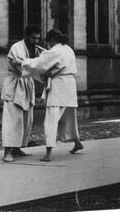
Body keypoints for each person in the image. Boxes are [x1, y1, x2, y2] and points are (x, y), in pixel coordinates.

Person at [22, 29, 83, 162]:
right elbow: (56, 60)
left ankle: (48, 153)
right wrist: (45, 53)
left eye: (48, 42)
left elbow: (41, 63)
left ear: (52, 40)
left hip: (59, 87)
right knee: (70, 117)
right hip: (70, 86)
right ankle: (77, 142)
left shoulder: (55, 51)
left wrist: (23, 62)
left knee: (51, 119)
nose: (48, 45)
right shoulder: (68, 49)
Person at [0, 25, 41, 163]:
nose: (36, 41)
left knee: (26, 119)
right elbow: (19, 71)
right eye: (33, 38)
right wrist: (35, 65)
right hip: (15, 85)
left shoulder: (35, 49)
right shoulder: (16, 48)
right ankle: (7, 152)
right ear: (26, 36)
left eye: (37, 38)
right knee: (12, 119)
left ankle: (17, 148)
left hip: (27, 85)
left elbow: (36, 67)